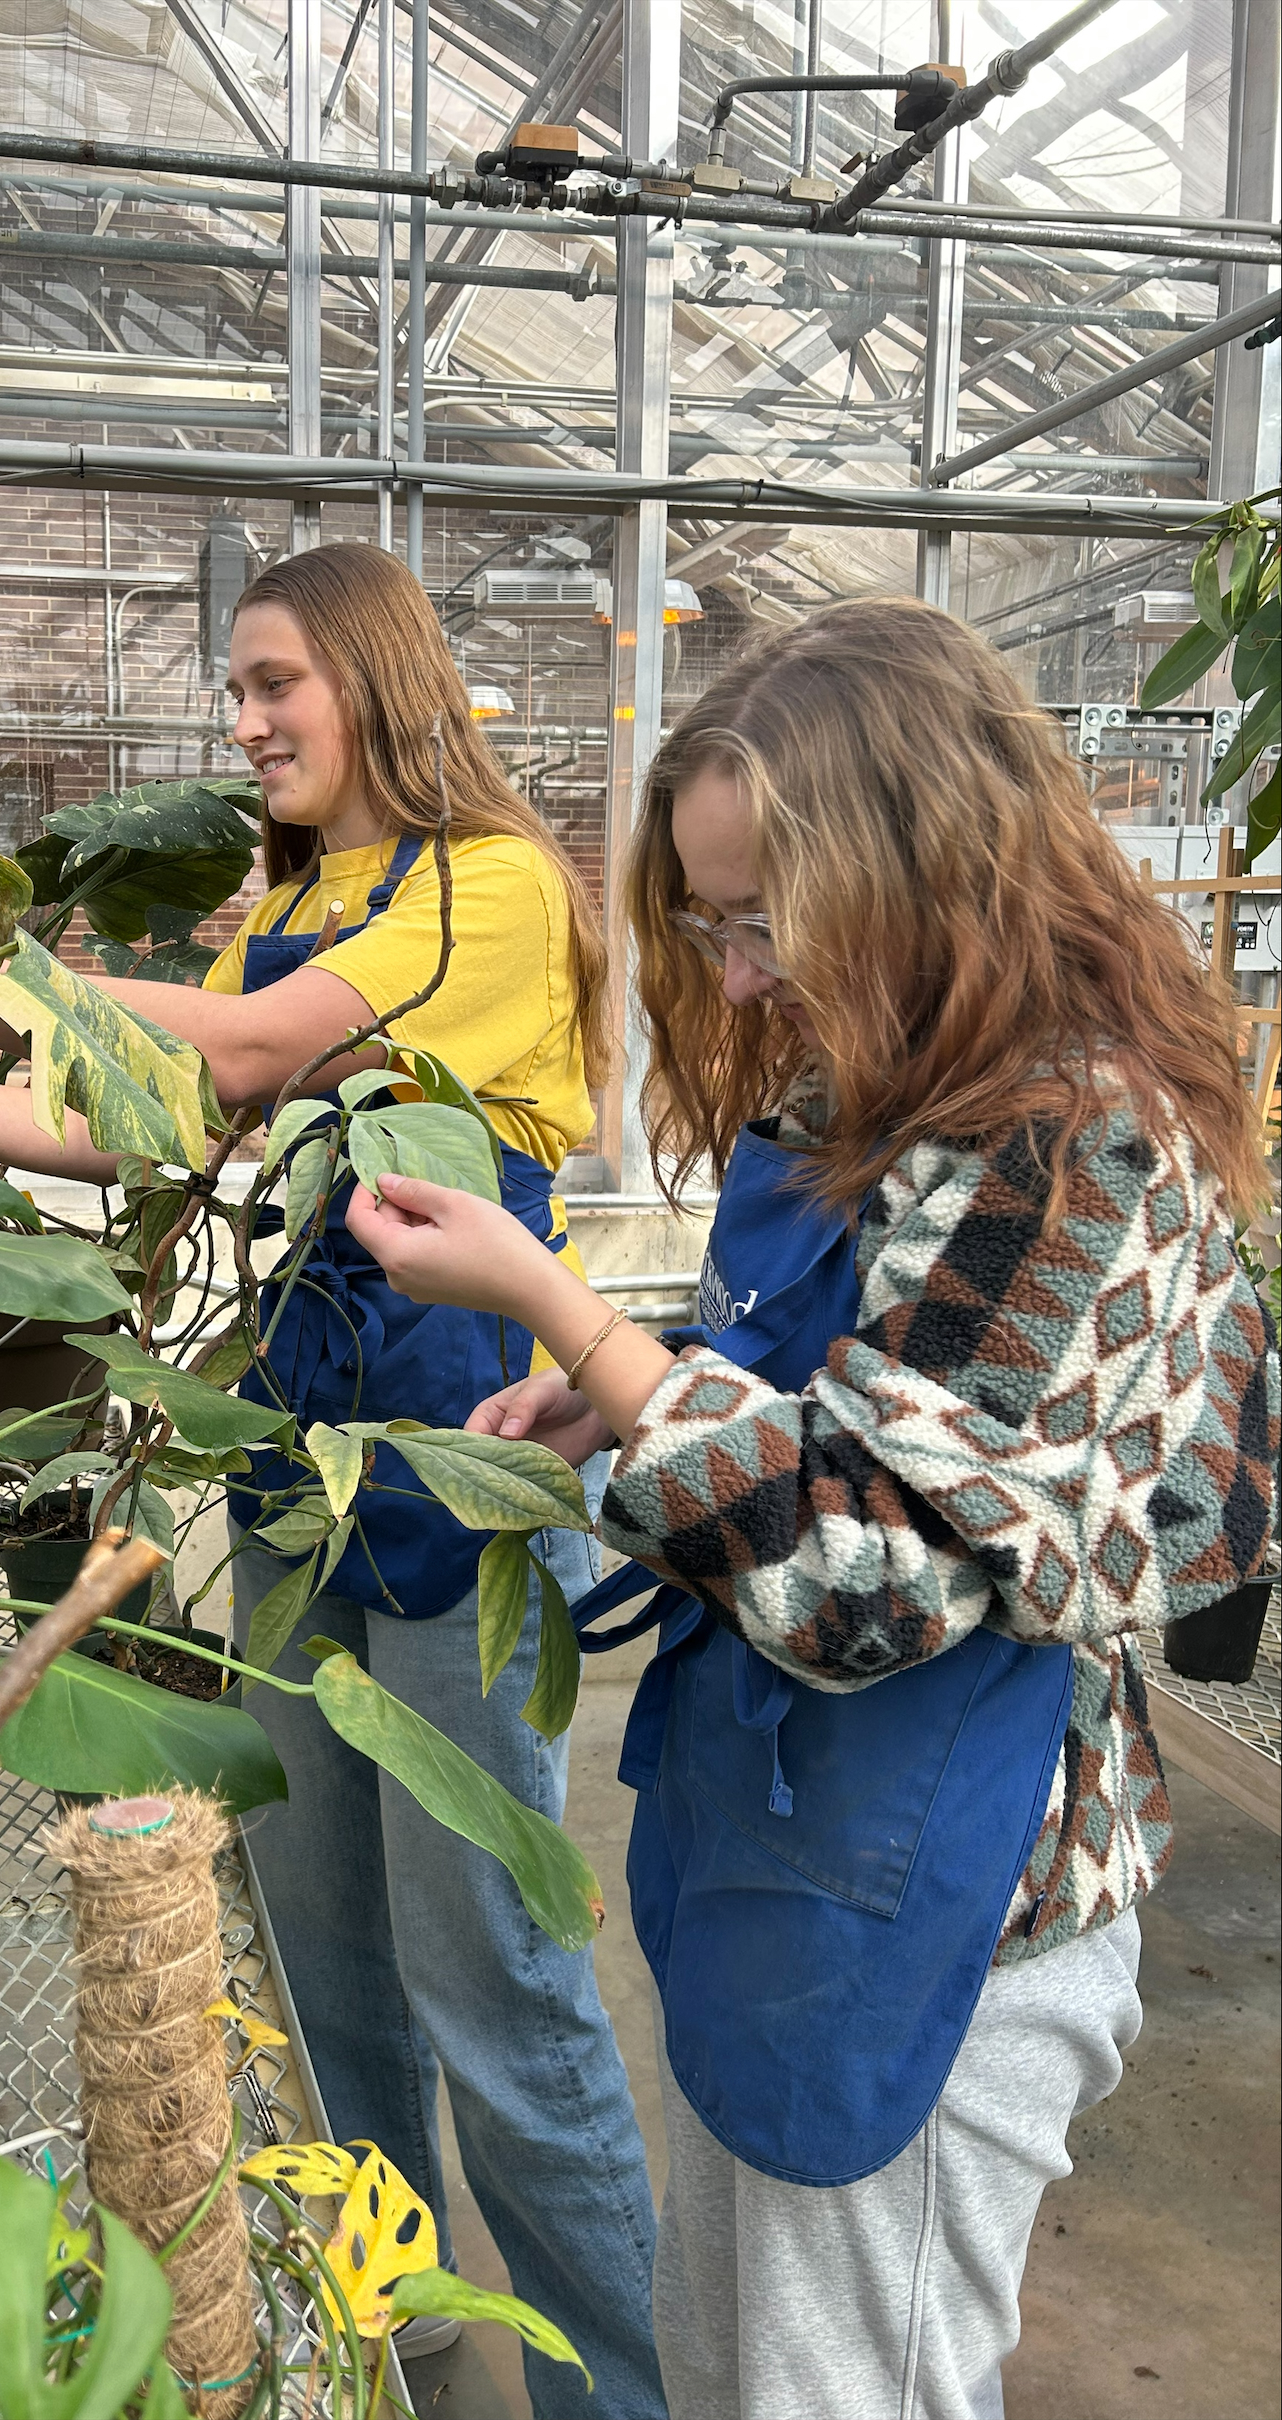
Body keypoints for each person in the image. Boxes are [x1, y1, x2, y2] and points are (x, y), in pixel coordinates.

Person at [343, 596, 1279, 2420]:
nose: (740, 975)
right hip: (799, 1849)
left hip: (955, 1911)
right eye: (712, 925)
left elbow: (870, 1577)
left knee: (843, 2390)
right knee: (738, 2370)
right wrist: (624, 1402)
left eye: (766, 923)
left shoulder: (1074, 1143)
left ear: (929, 875)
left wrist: (571, 1316)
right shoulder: (889, 1095)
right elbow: (875, 1385)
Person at [0, 542, 668, 2420]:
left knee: (492, 1986)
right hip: (287, 1466)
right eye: (235, 692)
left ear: (380, 681)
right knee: (330, 1971)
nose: (245, 722)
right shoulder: (303, 898)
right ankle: (386, 2340)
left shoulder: (487, 889)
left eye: (277, 684)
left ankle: (620, 2391)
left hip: (456, 1463)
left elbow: (251, 1052)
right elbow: (146, 1114)